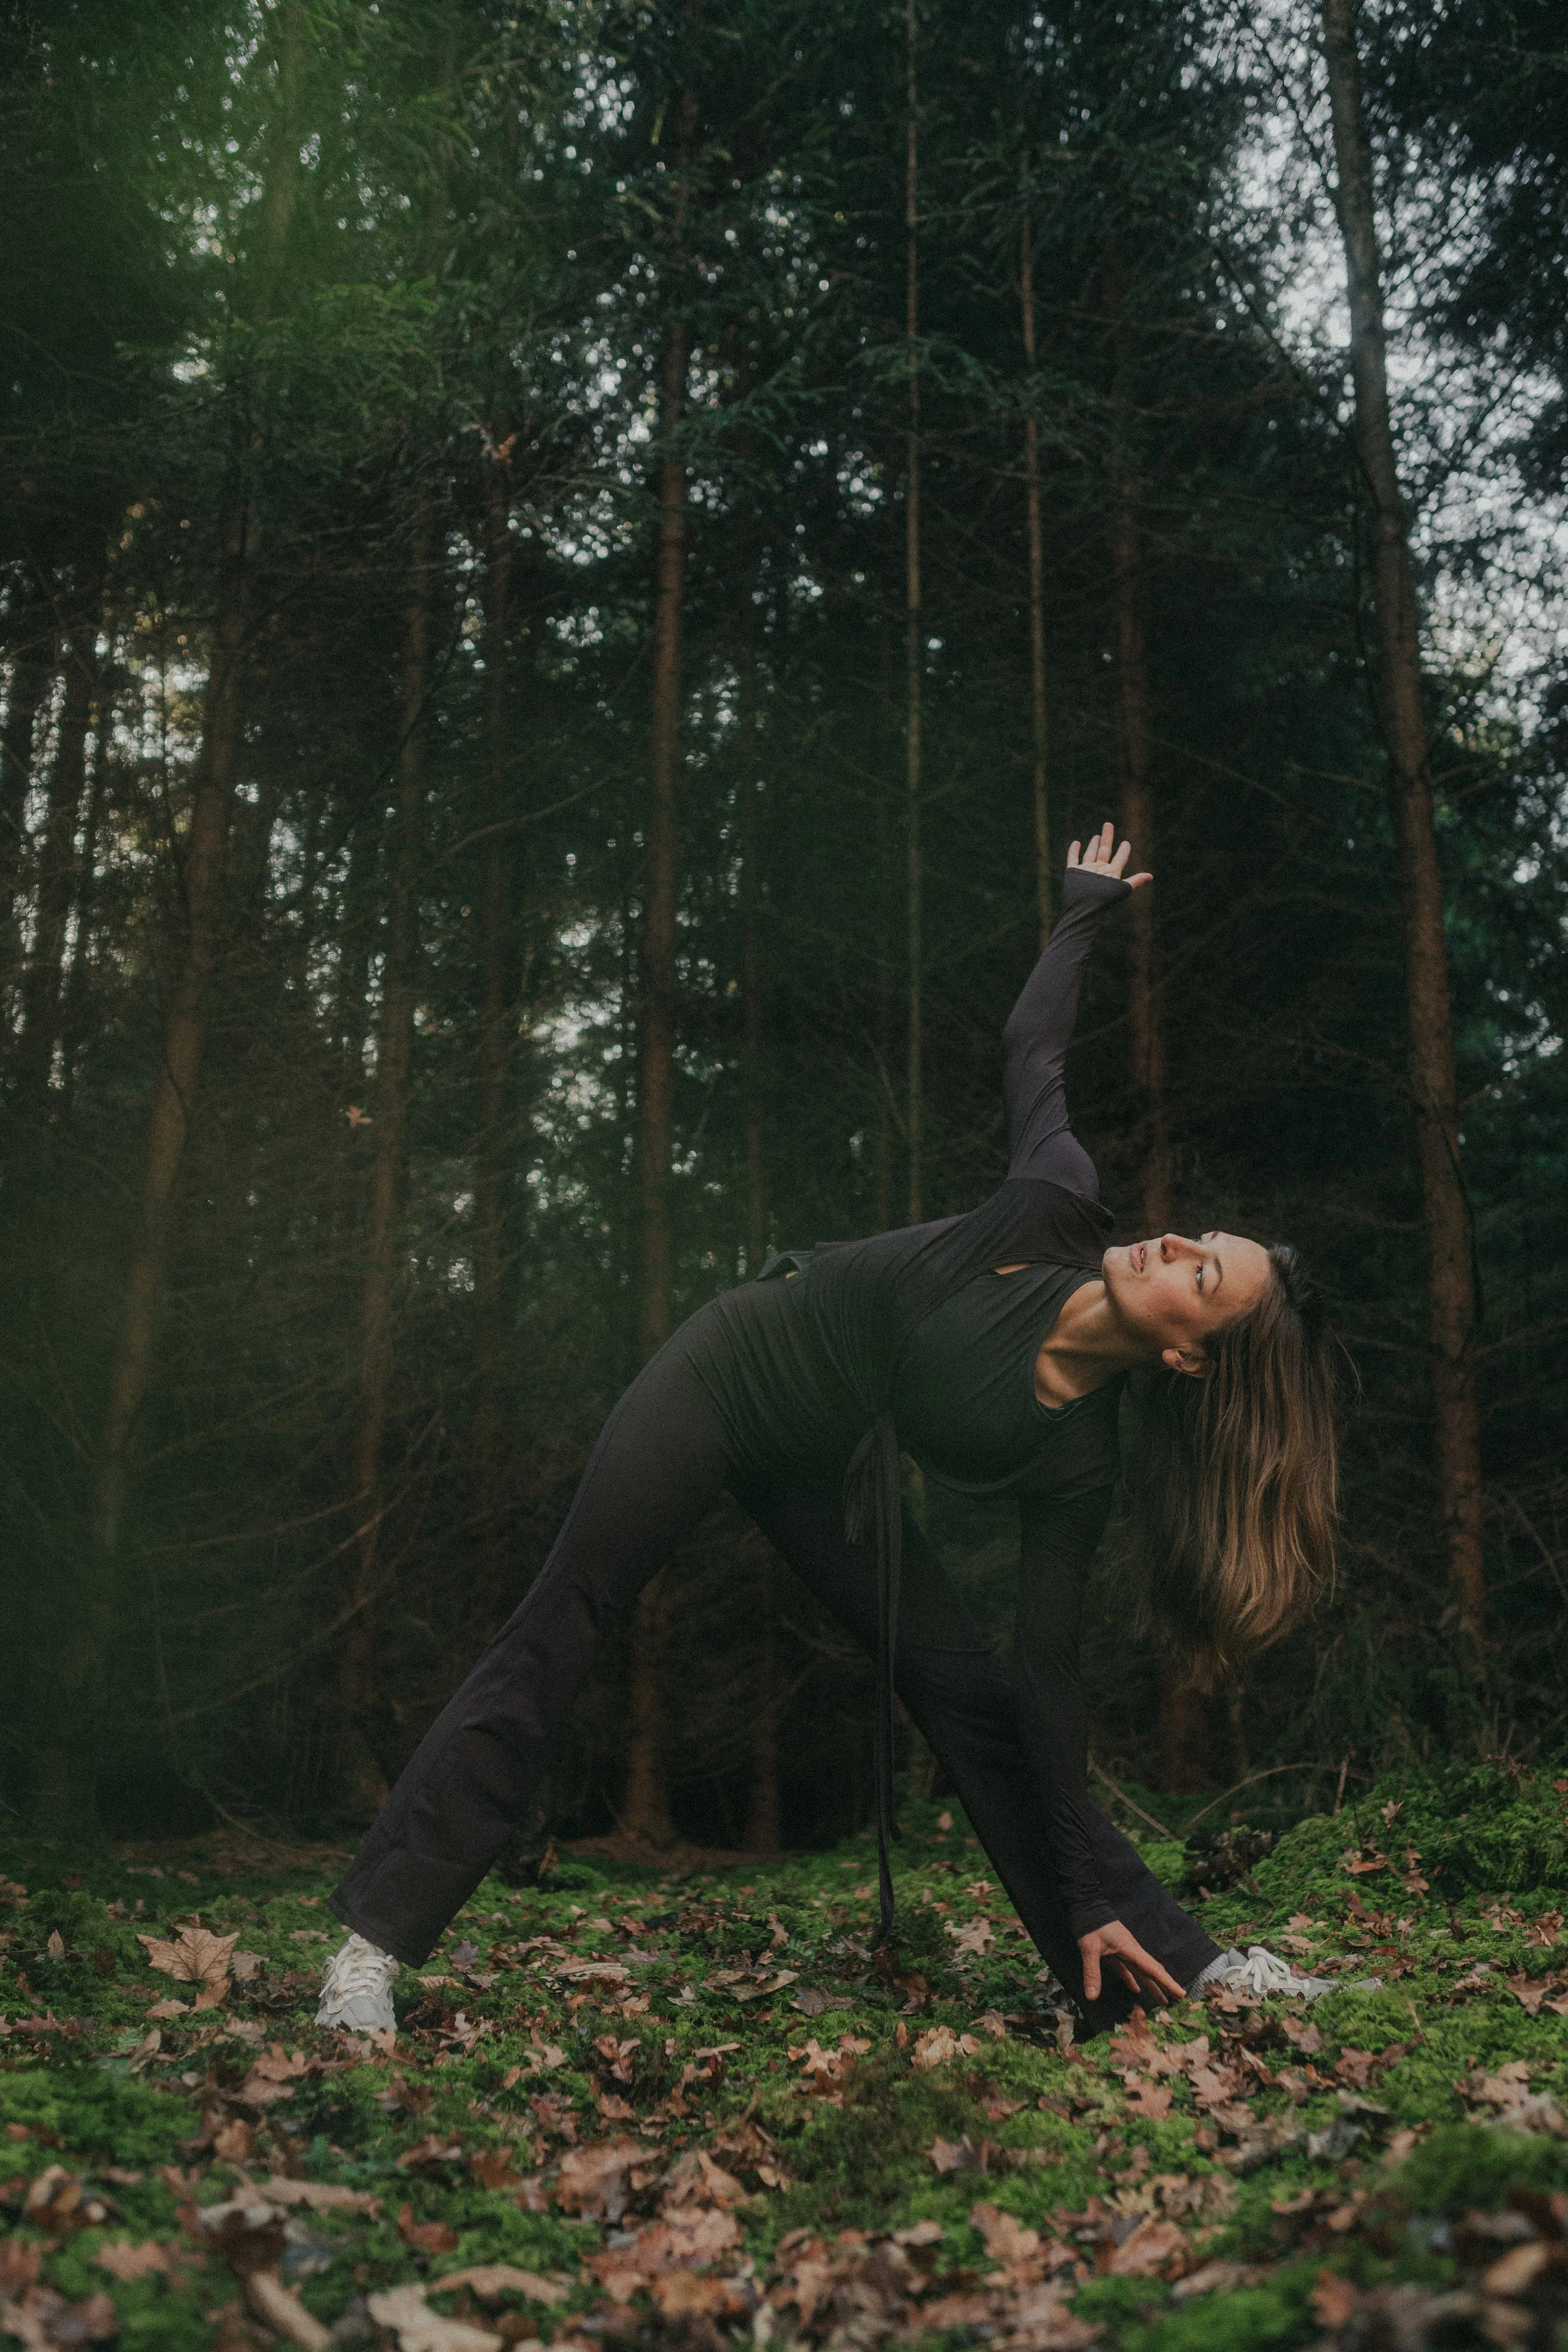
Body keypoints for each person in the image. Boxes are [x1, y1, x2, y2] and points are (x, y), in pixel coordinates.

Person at [317, 824, 1340, 2038]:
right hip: (735, 1364)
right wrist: (1079, 912)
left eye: (1200, 1277)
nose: (1171, 1242)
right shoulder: (1052, 1203)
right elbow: (1032, 1047)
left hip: (828, 1455)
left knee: (968, 1692)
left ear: (1184, 1354)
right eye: (1194, 1234)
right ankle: (370, 1948)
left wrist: (1077, 1884)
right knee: (567, 1615)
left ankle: (1159, 1959)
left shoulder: (1075, 1459)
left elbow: (1046, 1691)